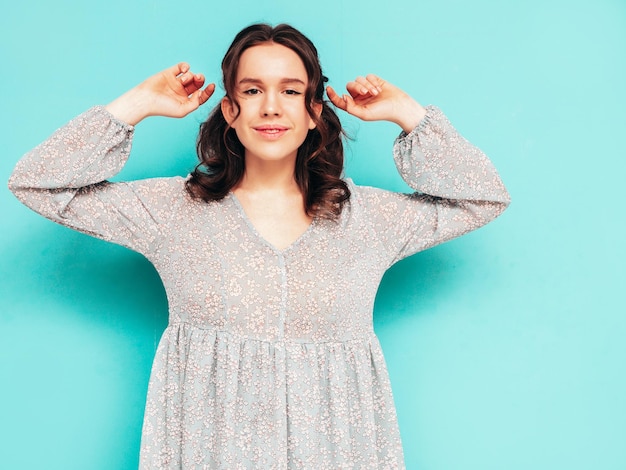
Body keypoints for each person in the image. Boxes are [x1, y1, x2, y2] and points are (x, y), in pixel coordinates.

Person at [8, 23, 509, 469]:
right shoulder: (172, 211)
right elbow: (36, 182)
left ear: (315, 110)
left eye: (291, 91)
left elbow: (482, 197)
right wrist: (138, 103)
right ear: (229, 108)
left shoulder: (369, 219)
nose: (271, 106)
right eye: (252, 90)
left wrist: (407, 114)